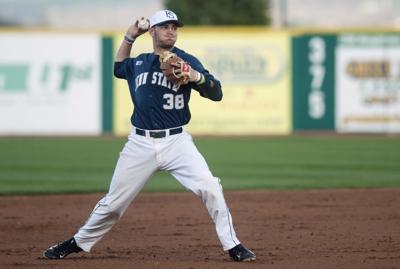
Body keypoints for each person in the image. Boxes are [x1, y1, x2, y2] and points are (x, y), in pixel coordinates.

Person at [43, 10, 256, 262]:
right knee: (113, 203)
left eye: (174, 27)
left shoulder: (185, 60)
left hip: (176, 141)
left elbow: (216, 92)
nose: (171, 31)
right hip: (140, 143)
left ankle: (233, 245)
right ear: (152, 31)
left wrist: (195, 76)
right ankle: (77, 242)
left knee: (210, 186)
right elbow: (118, 68)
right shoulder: (140, 62)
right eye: (165, 26)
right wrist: (129, 37)